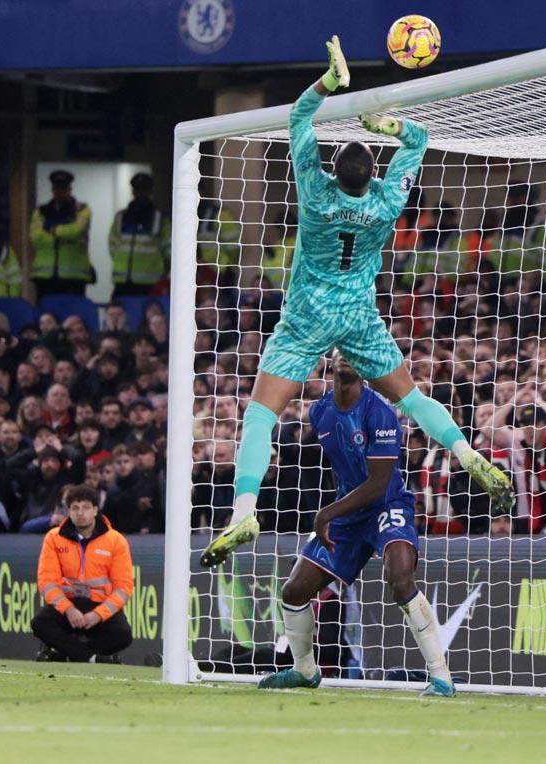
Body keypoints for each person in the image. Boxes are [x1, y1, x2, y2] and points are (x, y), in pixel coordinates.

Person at [201, 37, 511, 568]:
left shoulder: (316, 194)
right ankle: (464, 450)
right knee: (411, 400)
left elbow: (300, 119)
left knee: (258, 418)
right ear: (372, 174)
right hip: (359, 314)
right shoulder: (389, 201)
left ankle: (243, 512)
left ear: (332, 171)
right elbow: (420, 141)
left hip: (305, 317)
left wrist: (329, 82)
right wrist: (391, 129)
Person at [255, 353, 455, 697]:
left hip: (387, 504)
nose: (346, 355)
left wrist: (327, 513)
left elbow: (378, 483)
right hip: (348, 513)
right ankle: (304, 668)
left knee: (400, 576)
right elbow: (341, 465)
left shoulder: (380, 412)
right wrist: (336, 513)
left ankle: (441, 678)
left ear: (364, 362)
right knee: (293, 590)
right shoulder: (320, 413)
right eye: (340, 350)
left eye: (354, 350)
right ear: (329, 360)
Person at [31, 484, 134, 662]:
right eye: (75, 508)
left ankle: (68, 653)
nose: (80, 513)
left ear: (95, 510)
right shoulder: (54, 538)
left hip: (98, 605)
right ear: (68, 511)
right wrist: (69, 609)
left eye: (86, 507)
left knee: (123, 635)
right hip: (67, 604)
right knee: (39, 623)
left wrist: (98, 614)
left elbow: (123, 588)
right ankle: (91, 657)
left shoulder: (116, 541)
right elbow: (47, 582)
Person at [30, 170, 92, 295]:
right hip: (44, 276)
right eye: (57, 188)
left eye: (64, 188)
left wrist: (53, 230)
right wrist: (63, 234)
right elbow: (36, 237)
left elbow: (76, 231)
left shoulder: (82, 209)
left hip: (74, 276)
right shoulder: (41, 211)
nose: (60, 192)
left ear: (70, 189)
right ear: (52, 189)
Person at [108, 173, 170, 297]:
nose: (140, 193)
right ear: (133, 191)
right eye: (137, 189)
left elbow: (168, 248)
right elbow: (112, 244)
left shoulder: (160, 219)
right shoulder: (121, 217)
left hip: (151, 282)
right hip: (122, 280)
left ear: (150, 192)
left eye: (144, 189)